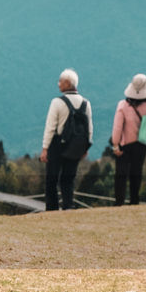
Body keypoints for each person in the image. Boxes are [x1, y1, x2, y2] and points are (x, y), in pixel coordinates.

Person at [39, 69, 93, 211]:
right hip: (76, 145)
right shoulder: (86, 103)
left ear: (68, 83)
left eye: (60, 81)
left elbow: (50, 127)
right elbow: (89, 127)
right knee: (69, 178)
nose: (58, 84)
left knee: (52, 179)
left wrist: (45, 148)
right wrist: (86, 148)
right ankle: (68, 206)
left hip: (57, 144)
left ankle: (52, 209)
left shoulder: (57, 102)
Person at [111, 74, 146, 206]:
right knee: (136, 172)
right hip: (141, 144)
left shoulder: (122, 105)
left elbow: (117, 128)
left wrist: (115, 145)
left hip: (124, 144)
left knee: (121, 174)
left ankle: (119, 202)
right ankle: (134, 201)